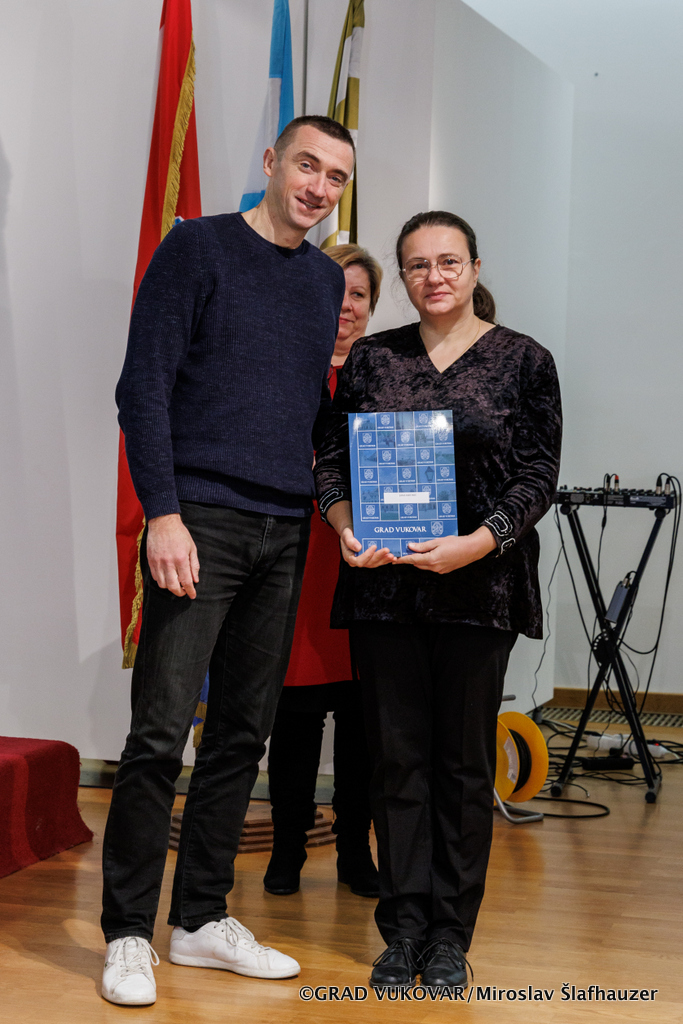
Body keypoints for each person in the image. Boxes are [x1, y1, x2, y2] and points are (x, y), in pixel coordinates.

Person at [101, 115, 356, 1007]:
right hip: (198, 521)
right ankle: (127, 932)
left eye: (335, 177)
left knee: (243, 735)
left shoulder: (324, 280)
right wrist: (163, 514)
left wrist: (344, 504)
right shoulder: (196, 248)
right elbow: (142, 387)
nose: (318, 188)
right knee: (159, 734)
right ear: (271, 162)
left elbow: (308, 411)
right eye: (307, 166)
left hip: (284, 528)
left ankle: (200, 919)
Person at [314, 211, 562, 990]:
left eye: (448, 261)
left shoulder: (524, 360)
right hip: (384, 589)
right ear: (404, 275)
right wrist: (344, 526)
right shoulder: (373, 359)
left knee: (460, 767)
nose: (434, 276)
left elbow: (537, 477)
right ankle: (402, 931)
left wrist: (476, 543)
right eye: (418, 264)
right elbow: (331, 460)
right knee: (395, 763)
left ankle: (450, 935)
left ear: (475, 268)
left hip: (479, 591)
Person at [264, 244, 383, 899]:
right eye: (336, 292)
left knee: (363, 723)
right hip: (297, 560)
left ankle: (353, 852)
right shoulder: (283, 365)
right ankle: (286, 850)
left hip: (370, 562)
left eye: (358, 295)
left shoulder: (390, 372)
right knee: (297, 719)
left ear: (372, 305)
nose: (346, 307)